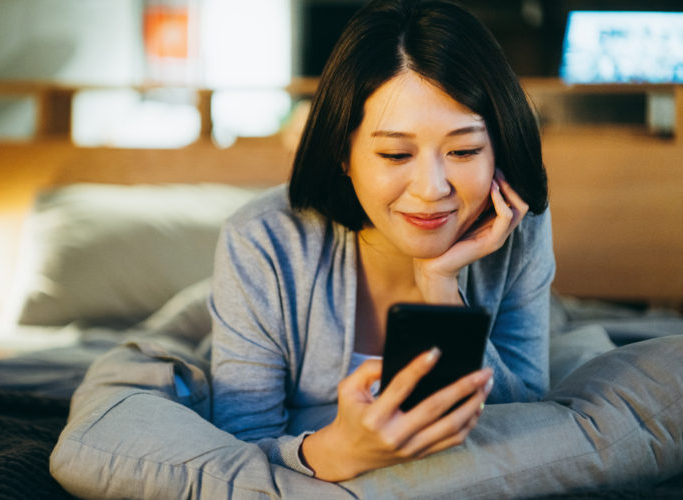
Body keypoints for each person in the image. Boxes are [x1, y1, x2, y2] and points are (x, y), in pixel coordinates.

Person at [209, 0, 554, 482]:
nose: (432, 189)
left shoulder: (519, 228)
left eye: (464, 150)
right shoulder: (263, 240)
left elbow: (531, 420)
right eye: (395, 154)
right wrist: (334, 453)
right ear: (344, 154)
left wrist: (440, 286)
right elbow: (236, 447)